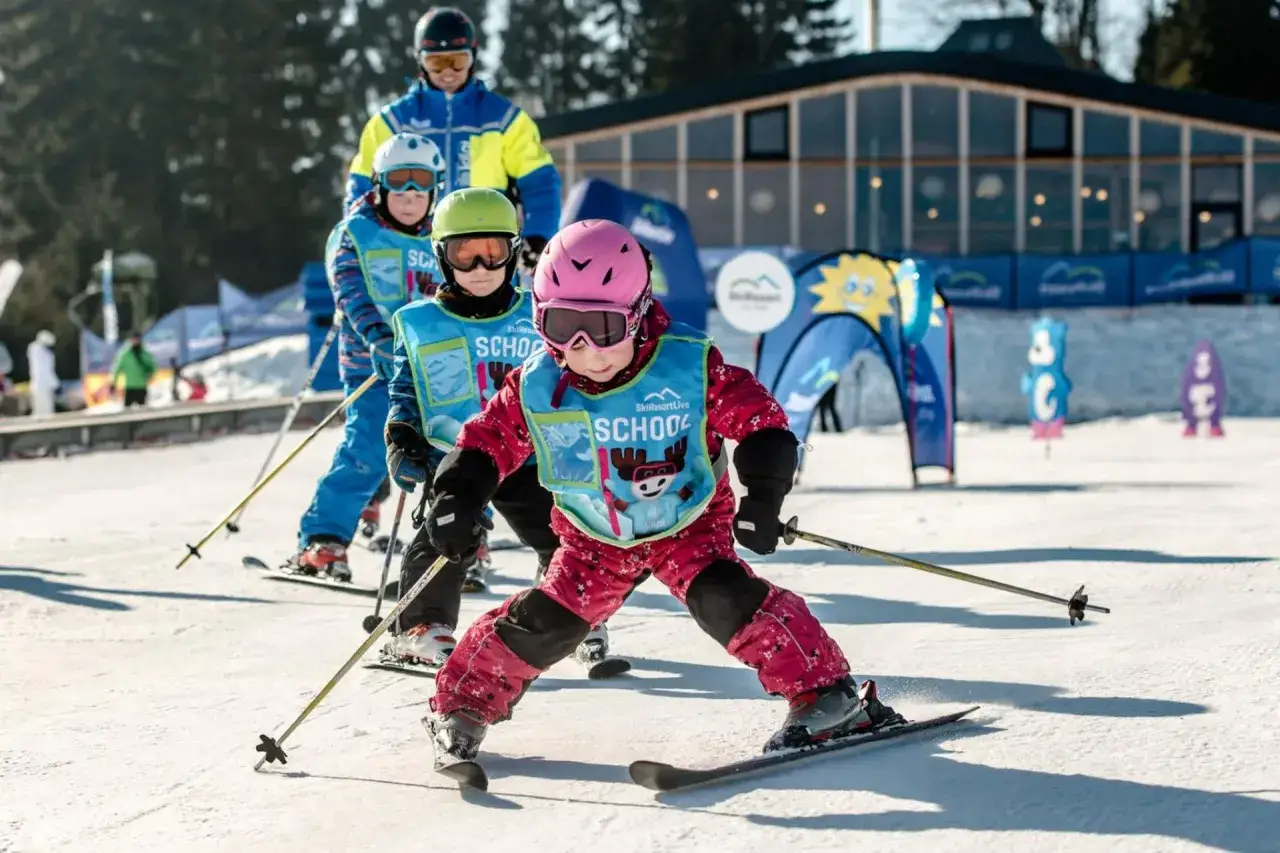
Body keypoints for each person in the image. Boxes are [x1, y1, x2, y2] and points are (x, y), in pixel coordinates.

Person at [418, 220, 903, 765]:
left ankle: (828, 696)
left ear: (638, 311)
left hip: (687, 524)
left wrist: (764, 496)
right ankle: (462, 706)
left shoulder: (688, 367)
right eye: (563, 326)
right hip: (592, 538)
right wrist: (457, 497)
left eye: (604, 328)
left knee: (724, 599)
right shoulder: (536, 386)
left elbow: (761, 424)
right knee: (547, 623)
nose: (586, 350)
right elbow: (485, 443)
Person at [380, 187, 620, 672]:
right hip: (455, 454)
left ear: (512, 252)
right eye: (464, 254)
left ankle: (572, 611)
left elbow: (575, 374)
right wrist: (402, 434)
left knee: (565, 529)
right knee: (447, 529)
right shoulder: (420, 322)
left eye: (492, 253)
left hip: (530, 454)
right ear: (441, 256)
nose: (480, 268)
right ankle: (420, 626)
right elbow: (406, 388)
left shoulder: (542, 313)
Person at [287, 131, 446, 583]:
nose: (410, 194)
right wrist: (377, 338)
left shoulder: (443, 238)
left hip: (433, 370)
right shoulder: (355, 233)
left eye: (421, 182)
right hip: (372, 366)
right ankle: (324, 539)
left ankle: (458, 544)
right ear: (379, 184)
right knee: (368, 451)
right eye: (399, 181)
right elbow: (350, 292)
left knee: (453, 449)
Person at [344, 7, 561, 277]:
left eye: (458, 60)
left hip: (485, 255)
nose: (448, 72)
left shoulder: (504, 120)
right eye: (436, 62)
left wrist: (539, 235)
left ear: (473, 58)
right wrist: (361, 240)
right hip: (411, 256)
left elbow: (540, 182)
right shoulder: (392, 123)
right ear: (420, 61)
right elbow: (361, 187)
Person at [110, 334, 157, 408]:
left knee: (143, 409)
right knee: (127, 410)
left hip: (141, 386)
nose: (136, 342)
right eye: (135, 340)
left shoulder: (145, 354)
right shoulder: (125, 355)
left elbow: (153, 367)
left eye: (138, 340)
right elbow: (116, 370)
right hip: (129, 387)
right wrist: (113, 382)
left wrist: (151, 375)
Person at [26, 329, 58, 418]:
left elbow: (48, 369)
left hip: (45, 384)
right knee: (40, 406)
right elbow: (42, 370)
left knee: (47, 407)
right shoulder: (35, 349)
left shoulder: (46, 353)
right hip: (39, 383)